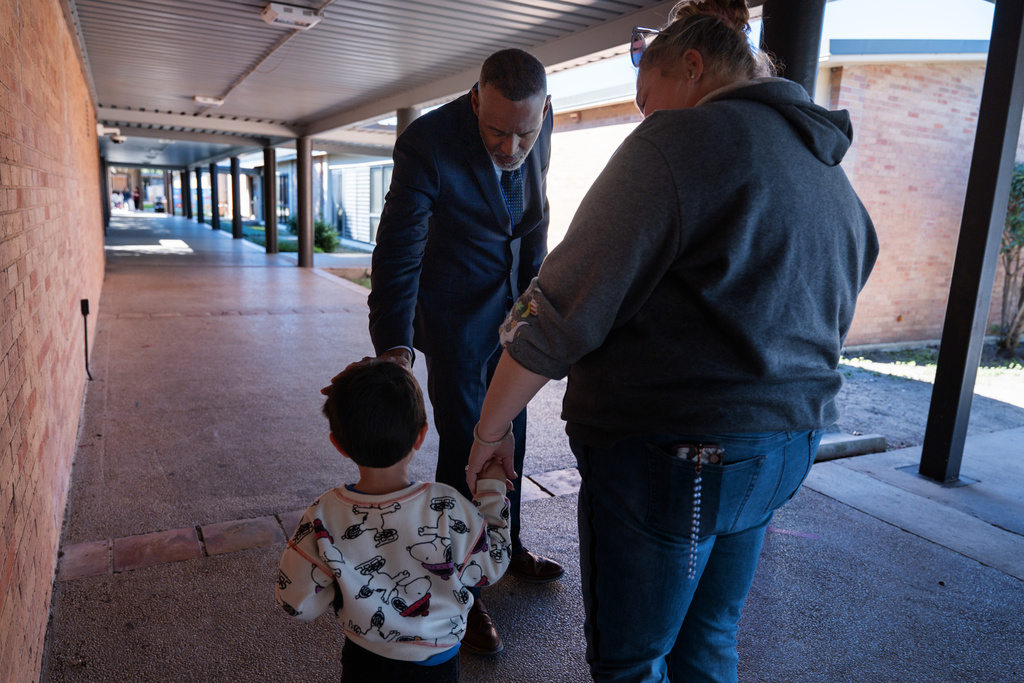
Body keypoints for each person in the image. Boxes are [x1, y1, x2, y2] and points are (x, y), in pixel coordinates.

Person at [465, 1, 880, 681]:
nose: (646, 120)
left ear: (691, 68)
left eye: (649, 101)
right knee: (708, 638)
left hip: (677, 454)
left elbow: (560, 305)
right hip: (785, 449)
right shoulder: (825, 166)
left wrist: (490, 429)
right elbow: (854, 266)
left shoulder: (679, 142)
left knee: (633, 658)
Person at [363, 47, 563, 654]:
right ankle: (460, 592)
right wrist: (395, 352)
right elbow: (399, 251)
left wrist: (534, 310)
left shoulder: (541, 124)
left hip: (513, 315)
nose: (509, 148)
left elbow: (531, 221)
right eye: (495, 130)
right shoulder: (427, 143)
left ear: (544, 112)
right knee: (462, 450)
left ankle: (508, 545)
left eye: (522, 132)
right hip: (451, 320)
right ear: (475, 100)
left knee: (513, 433)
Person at [277, 360, 513, 682]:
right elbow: (490, 565)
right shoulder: (446, 505)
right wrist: (492, 489)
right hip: (437, 662)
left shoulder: (323, 513)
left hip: (365, 659)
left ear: (338, 445)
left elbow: (297, 602)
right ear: (421, 435)